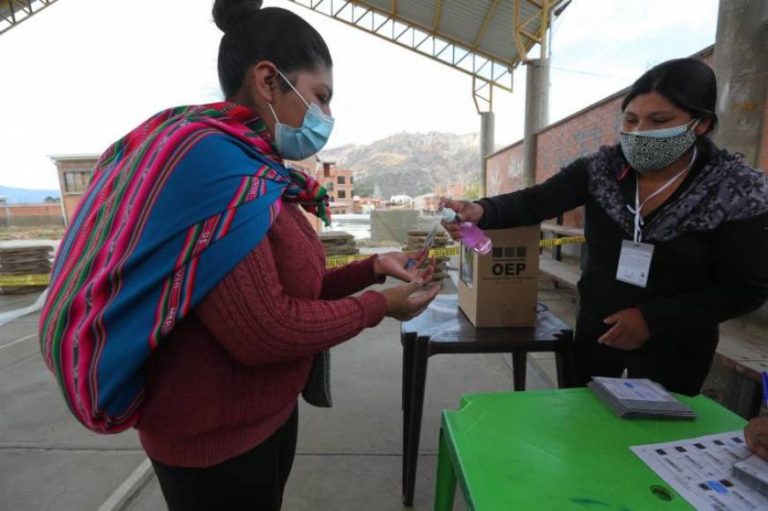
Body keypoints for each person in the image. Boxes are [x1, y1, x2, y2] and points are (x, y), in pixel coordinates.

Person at [39, 1, 439, 509]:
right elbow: (265, 330)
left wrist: (374, 269)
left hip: (262, 417)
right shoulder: (216, 169)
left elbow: (292, 286)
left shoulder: (257, 169)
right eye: (321, 97)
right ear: (269, 81)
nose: (327, 117)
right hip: (212, 446)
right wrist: (382, 307)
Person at [442, 58, 768, 397]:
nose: (640, 132)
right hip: (594, 341)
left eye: (659, 121)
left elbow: (746, 289)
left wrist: (653, 319)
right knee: (583, 435)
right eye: (631, 119)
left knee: (654, 442)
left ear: (700, 124)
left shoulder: (736, 191)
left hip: (677, 351)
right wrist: (481, 210)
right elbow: (535, 201)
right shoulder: (601, 172)